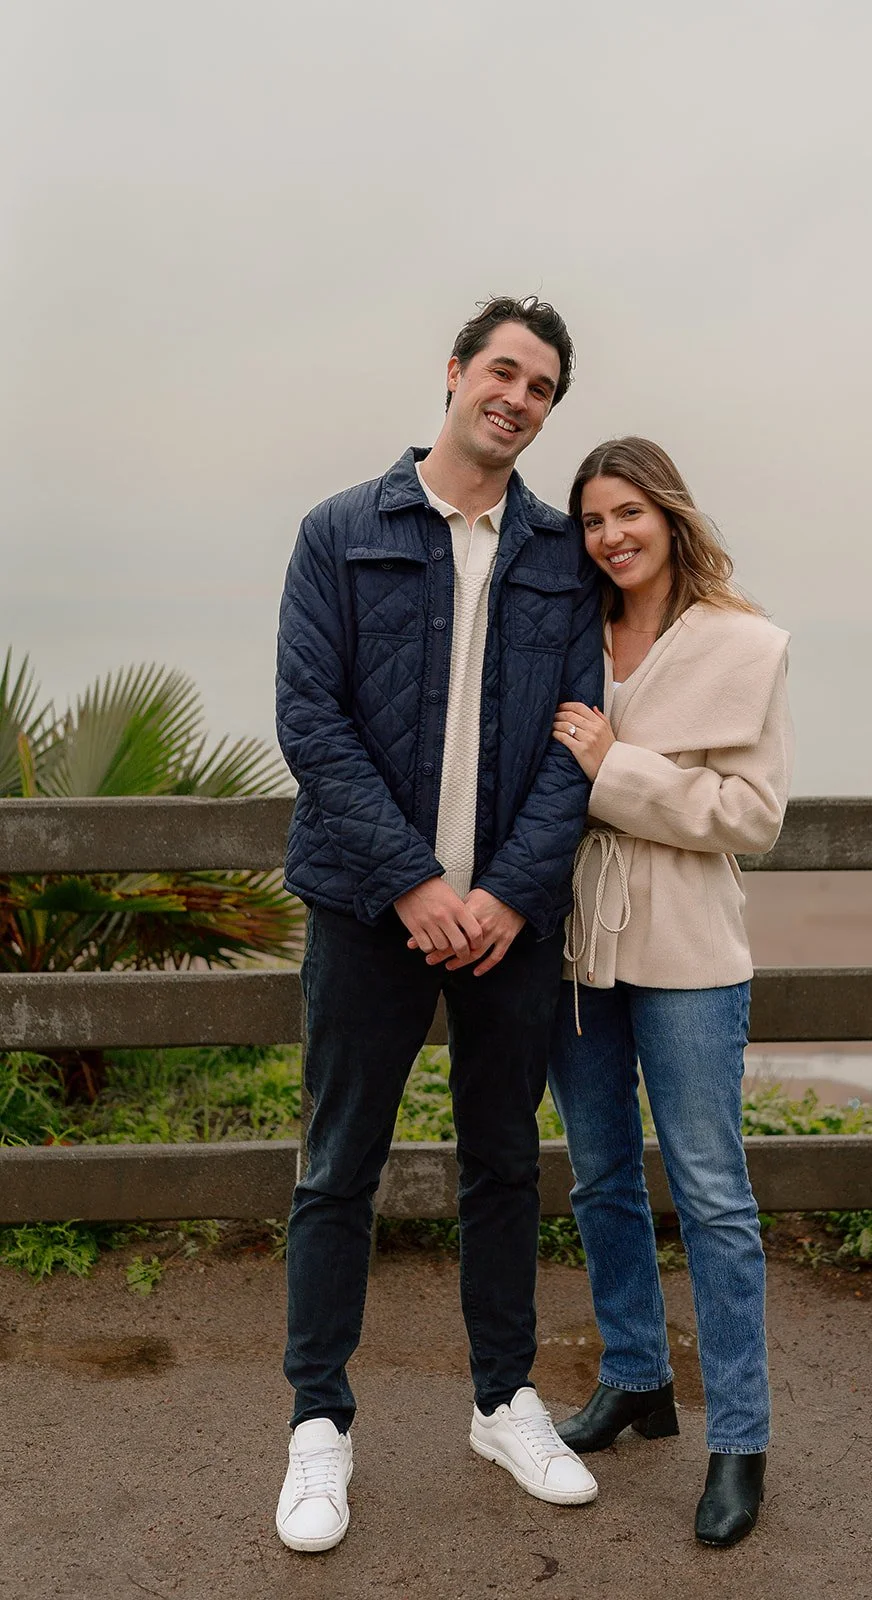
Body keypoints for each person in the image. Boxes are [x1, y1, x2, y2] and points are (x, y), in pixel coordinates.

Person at [273, 297, 604, 1552]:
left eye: (541, 388)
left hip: (506, 924)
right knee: (336, 1167)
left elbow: (576, 749)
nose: (515, 399)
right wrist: (416, 883)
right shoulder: (339, 532)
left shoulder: (560, 556)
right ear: (454, 372)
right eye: (502, 372)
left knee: (504, 1165)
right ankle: (319, 1427)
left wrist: (503, 896)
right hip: (369, 909)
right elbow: (311, 720)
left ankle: (501, 1396)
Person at [546, 437, 793, 1549]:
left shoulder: (744, 644)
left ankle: (737, 1437)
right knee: (598, 1176)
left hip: (689, 954)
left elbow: (751, 816)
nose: (611, 535)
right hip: (576, 950)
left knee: (710, 1193)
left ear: (668, 515)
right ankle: (637, 1378)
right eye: (592, 519)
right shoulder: (564, 636)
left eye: (627, 512)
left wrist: (616, 770)